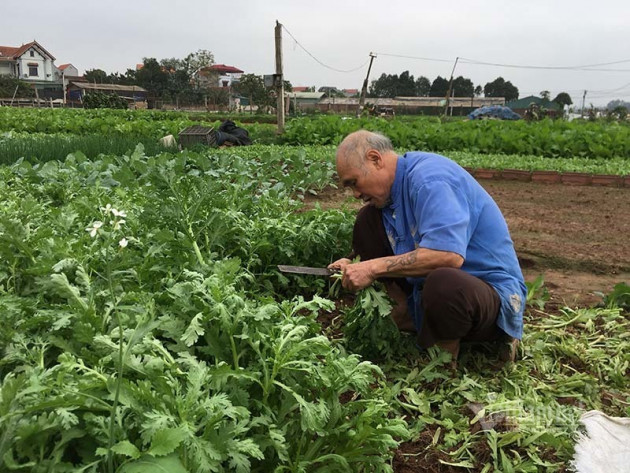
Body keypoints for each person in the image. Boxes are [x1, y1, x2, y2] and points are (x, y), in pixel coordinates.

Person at [328, 130, 526, 363]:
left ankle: (443, 360)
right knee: (367, 221)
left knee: (444, 283)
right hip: (431, 292)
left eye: (354, 183)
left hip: (488, 299)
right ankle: (405, 313)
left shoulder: (430, 180)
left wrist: (372, 268)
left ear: (375, 159)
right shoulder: (393, 193)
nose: (355, 194)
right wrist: (355, 263)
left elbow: (448, 256)